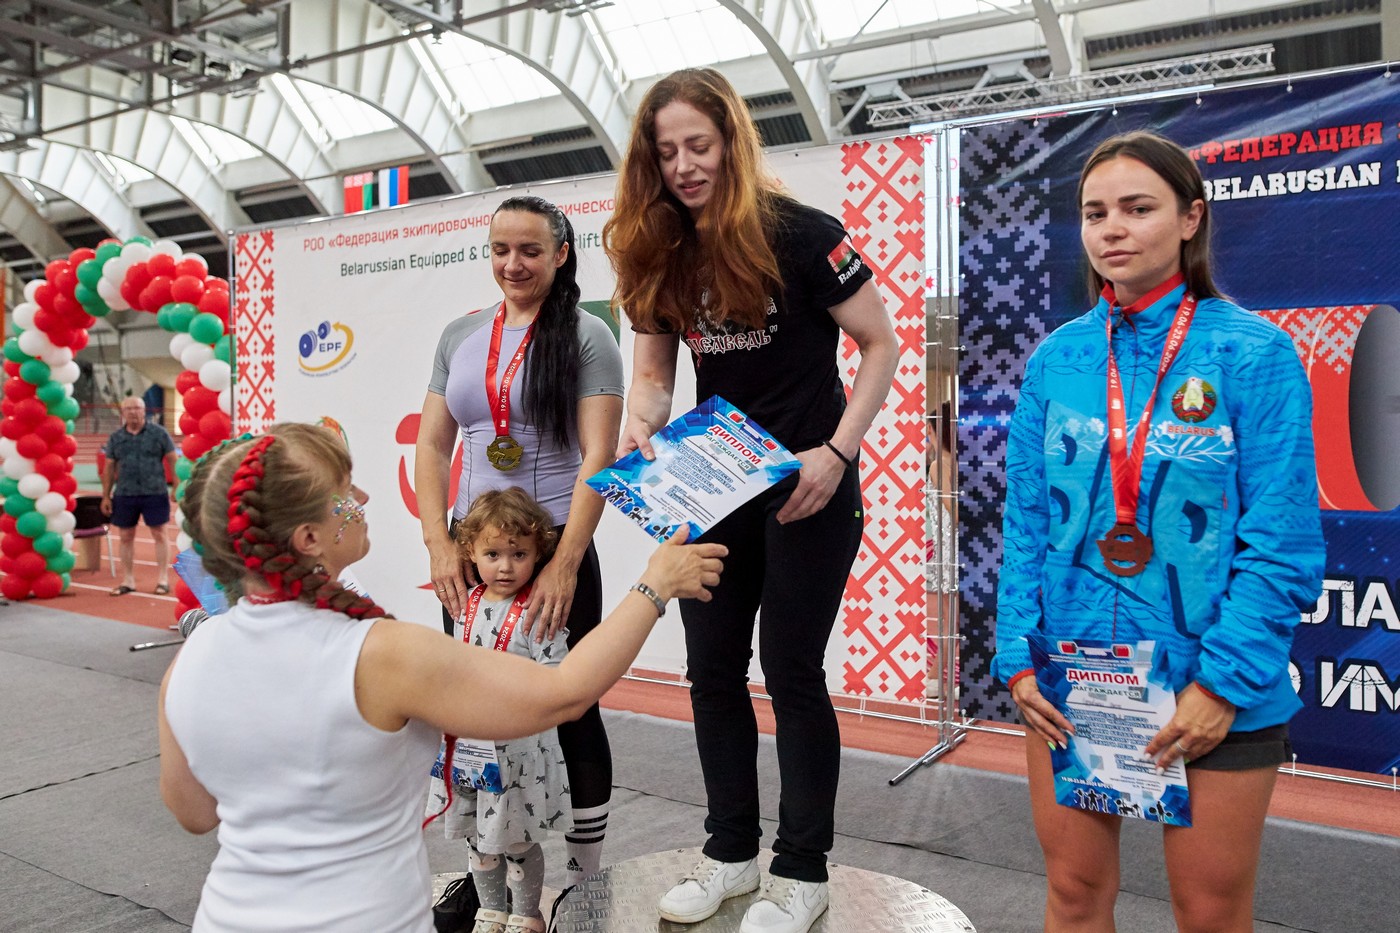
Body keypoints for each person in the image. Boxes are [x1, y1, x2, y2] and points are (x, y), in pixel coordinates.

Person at [157, 422, 725, 933]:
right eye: (343, 495)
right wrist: (655, 586)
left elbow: (194, 814)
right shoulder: (382, 655)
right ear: (308, 539)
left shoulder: (191, 658)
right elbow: (565, 693)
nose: (362, 499)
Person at [992, 131, 1325, 932]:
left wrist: (1221, 687)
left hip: (1210, 691)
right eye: (1095, 212)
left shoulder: (1254, 354)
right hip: (1073, 681)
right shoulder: (1056, 359)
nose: (1113, 228)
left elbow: (1282, 541)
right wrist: (1017, 660)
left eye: (1138, 208)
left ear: (1190, 218)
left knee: (1208, 912)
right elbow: (1026, 522)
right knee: (1073, 896)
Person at [602, 67, 898, 933]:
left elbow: (878, 343)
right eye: (666, 153)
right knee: (710, 674)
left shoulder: (804, 234)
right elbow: (654, 377)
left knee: (793, 671)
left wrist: (837, 453)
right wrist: (641, 429)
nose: (685, 165)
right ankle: (730, 853)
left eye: (699, 145)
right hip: (715, 487)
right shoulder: (657, 246)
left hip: (810, 484)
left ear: (731, 139)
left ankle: (802, 872)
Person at [416, 195, 623, 893]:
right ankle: (493, 870)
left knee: (572, 706)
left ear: (562, 254)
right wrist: (440, 546)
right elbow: (432, 443)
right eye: (501, 249)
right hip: (472, 553)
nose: (513, 263)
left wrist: (566, 560)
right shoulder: (459, 334)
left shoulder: (589, 335)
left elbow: (601, 452)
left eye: (530, 250)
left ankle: (586, 878)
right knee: (475, 706)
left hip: (554, 546)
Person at [424, 488, 574, 933]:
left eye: (519, 554)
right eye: (492, 553)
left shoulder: (538, 609)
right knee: (478, 839)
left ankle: (526, 916)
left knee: (518, 841)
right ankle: (490, 912)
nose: (505, 566)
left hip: (519, 753)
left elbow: (558, 678)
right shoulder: (465, 604)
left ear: (538, 553)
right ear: (469, 550)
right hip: (473, 750)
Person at [101, 395, 176, 596]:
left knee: (160, 533)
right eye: (129, 409)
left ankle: (162, 578)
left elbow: (172, 459)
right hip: (125, 493)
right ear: (123, 413)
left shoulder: (159, 434)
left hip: (155, 491)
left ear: (144, 411)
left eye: (137, 408)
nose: (133, 412)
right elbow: (109, 467)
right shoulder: (116, 438)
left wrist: (177, 486)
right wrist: (106, 496)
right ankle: (128, 579)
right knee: (125, 536)